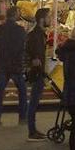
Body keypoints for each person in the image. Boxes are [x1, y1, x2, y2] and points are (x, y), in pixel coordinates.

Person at [0, 8, 28, 127]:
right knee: (22, 91)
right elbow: (22, 46)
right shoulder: (20, 30)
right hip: (15, 64)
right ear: (16, 15)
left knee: (0, 92)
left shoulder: (1, 29)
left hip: (3, 63)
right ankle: (22, 118)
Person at [23, 8, 50, 141]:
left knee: (35, 101)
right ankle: (31, 131)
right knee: (33, 101)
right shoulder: (36, 35)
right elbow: (31, 51)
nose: (50, 20)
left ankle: (33, 129)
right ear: (42, 19)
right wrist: (35, 60)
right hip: (37, 71)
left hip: (39, 70)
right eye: (48, 17)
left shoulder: (38, 34)